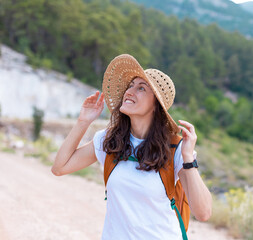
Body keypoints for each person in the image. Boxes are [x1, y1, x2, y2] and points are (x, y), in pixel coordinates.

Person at [51, 54, 212, 240]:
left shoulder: (174, 149)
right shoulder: (110, 140)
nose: (129, 92)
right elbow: (59, 168)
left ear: (155, 106)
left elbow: (203, 213)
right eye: (130, 86)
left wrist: (188, 158)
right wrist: (83, 121)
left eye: (141, 88)